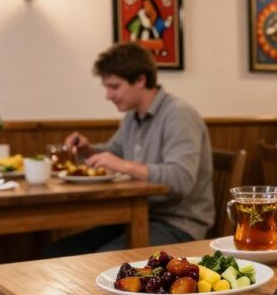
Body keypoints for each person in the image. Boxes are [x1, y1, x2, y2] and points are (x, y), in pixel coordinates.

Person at [48, 41, 215, 254]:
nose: (108, 95)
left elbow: (181, 179)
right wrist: (87, 151)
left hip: (180, 225)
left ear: (140, 80)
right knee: (56, 253)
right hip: (137, 215)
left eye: (114, 86)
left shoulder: (179, 115)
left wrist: (123, 165)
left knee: (99, 261)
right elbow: (114, 153)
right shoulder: (133, 116)